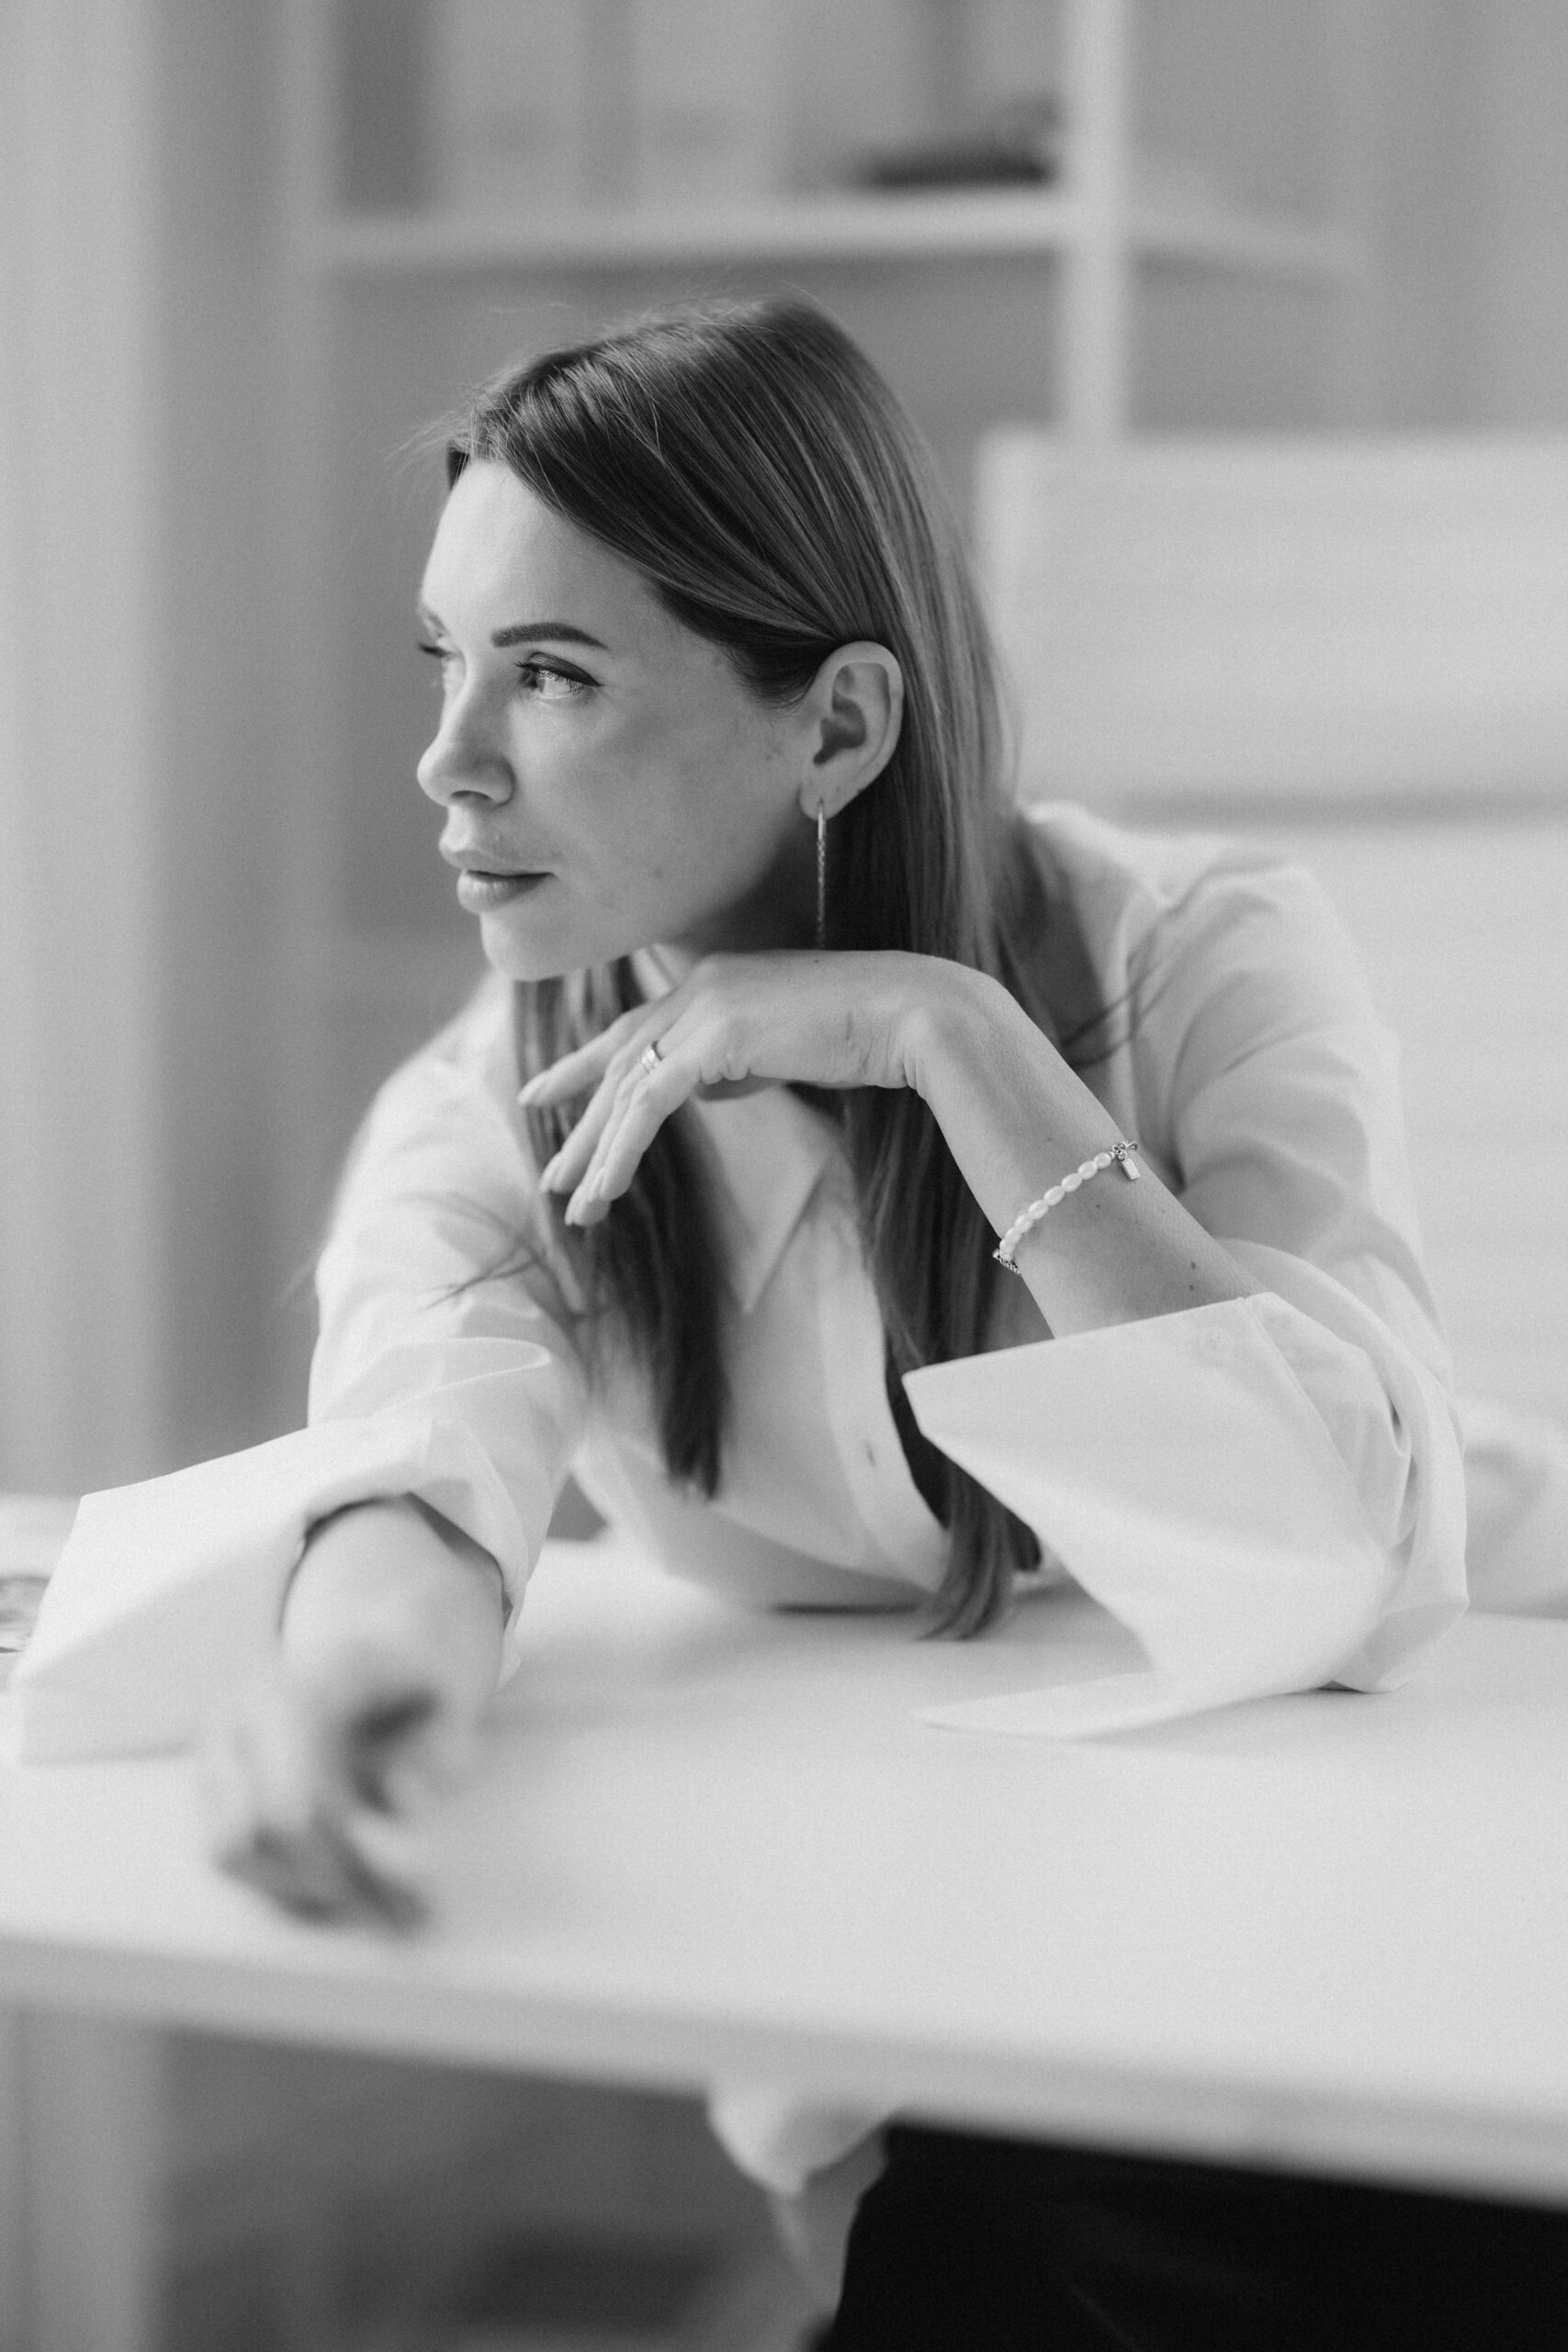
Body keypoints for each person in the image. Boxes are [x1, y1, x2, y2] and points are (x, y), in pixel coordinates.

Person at [198, 297, 1493, 2346]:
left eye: (550, 674)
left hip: (1379, 1914)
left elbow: (1329, 1553)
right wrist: (357, 1672)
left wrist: (946, 1035)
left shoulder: (1205, 960)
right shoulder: (494, 1108)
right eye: (447, 660)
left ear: (838, 725)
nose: (447, 759)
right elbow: (418, 1457)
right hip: (926, 1995)